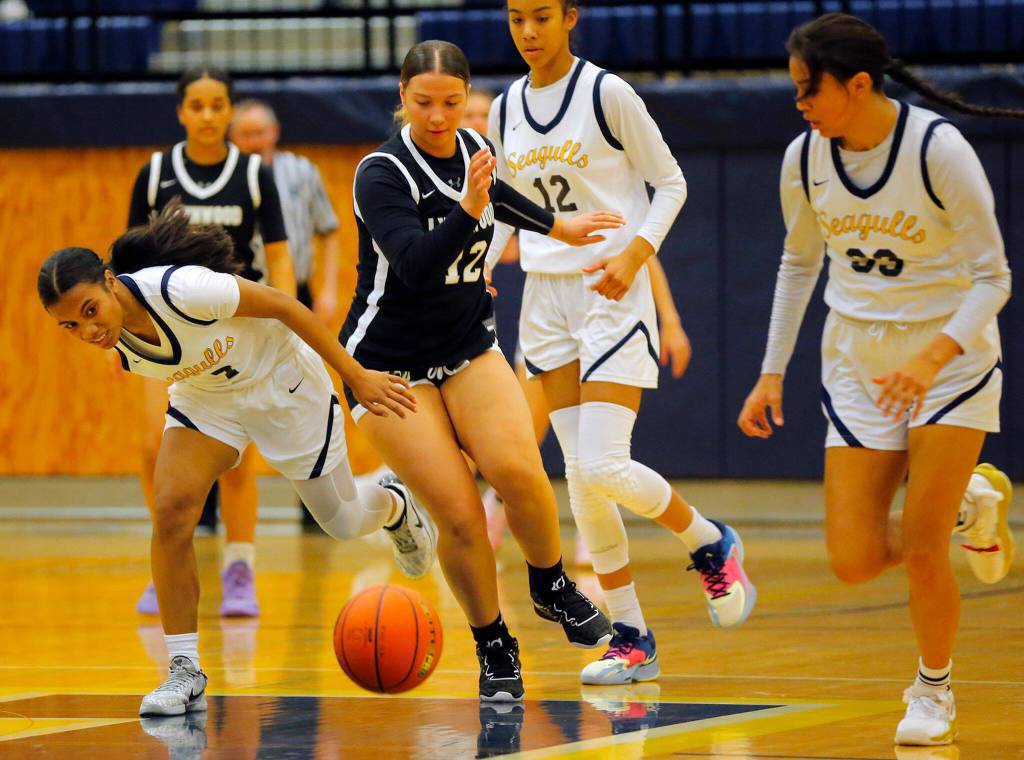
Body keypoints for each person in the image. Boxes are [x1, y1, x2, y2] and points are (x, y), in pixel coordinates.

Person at [736, 13, 1017, 746]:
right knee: (853, 559)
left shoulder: (937, 150)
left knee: (921, 550)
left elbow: (994, 278)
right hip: (857, 361)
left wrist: (932, 357)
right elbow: (798, 264)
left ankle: (932, 691)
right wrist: (771, 374)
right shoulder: (804, 159)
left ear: (858, 85)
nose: (798, 102)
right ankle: (969, 506)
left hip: (949, 359)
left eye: (809, 89)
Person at [38, 203, 433, 717]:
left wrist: (354, 375)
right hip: (208, 398)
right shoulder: (119, 340)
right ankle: (184, 669)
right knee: (173, 513)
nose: (88, 331)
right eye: (70, 326)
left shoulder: (181, 290)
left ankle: (394, 503)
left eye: (90, 310)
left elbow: (286, 308)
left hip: (281, 382)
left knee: (343, 521)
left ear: (111, 283)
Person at [339, 39, 625, 702]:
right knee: (462, 515)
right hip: (387, 366)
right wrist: (468, 211)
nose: (439, 116)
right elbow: (413, 265)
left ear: (466, 98)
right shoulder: (380, 173)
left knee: (522, 472)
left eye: (452, 102)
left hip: (466, 344)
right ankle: (494, 641)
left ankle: (551, 585)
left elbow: (498, 191)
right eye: (423, 102)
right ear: (402, 99)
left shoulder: (472, 151)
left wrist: (561, 225)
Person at [488, 0, 755, 687]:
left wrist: (635, 255)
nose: (528, 31)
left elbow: (671, 183)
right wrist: (482, 269)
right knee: (579, 480)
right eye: (517, 17)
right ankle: (632, 637)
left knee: (604, 465)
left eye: (541, 15)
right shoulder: (505, 107)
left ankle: (708, 539)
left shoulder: (607, 92)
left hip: (610, 290)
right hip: (545, 301)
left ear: (570, 16)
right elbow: (505, 207)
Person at [464, 89, 694, 565]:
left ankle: (673, 534)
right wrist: (482, 258)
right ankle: (502, 506)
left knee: (599, 452)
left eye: (478, 113)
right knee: (529, 439)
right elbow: (497, 235)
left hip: (601, 303)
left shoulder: (572, 151)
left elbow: (640, 249)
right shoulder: (479, 188)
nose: (473, 121)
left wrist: (670, 321)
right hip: (545, 314)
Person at [128, 68, 297, 618]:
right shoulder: (154, 174)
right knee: (157, 449)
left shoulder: (251, 174)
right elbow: (125, 264)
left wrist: (288, 320)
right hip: (164, 332)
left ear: (229, 111)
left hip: (235, 333)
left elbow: (279, 255)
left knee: (236, 457)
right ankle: (166, 565)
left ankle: (240, 567)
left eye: (217, 104)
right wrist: (124, 337)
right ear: (181, 111)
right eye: (196, 105)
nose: (207, 115)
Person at [229, 98, 353, 532]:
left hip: (292, 293)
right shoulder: (228, 179)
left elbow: (329, 229)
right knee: (223, 397)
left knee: (306, 395)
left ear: (275, 133)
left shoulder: (301, 172)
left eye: (260, 133)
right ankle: (211, 513)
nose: (254, 142)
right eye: (245, 135)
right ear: (233, 139)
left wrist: (326, 289)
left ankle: (318, 510)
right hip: (236, 298)